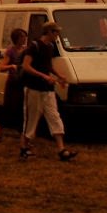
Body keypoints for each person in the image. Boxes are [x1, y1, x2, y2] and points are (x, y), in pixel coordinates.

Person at [19, 21, 77, 162]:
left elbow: (48, 65)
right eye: (56, 32)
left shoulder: (50, 47)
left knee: (54, 117)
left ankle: (61, 150)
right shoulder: (34, 46)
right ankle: (24, 148)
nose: (58, 35)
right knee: (31, 120)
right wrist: (43, 76)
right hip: (33, 88)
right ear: (50, 32)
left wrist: (58, 75)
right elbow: (26, 66)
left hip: (48, 90)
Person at [0, 27, 29, 142]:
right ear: (17, 38)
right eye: (22, 37)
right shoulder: (10, 51)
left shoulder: (26, 50)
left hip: (22, 82)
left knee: (22, 108)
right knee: (9, 107)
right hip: (13, 83)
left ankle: (22, 134)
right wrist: (11, 66)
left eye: (25, 37)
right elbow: (1, 67)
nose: (24, 39)